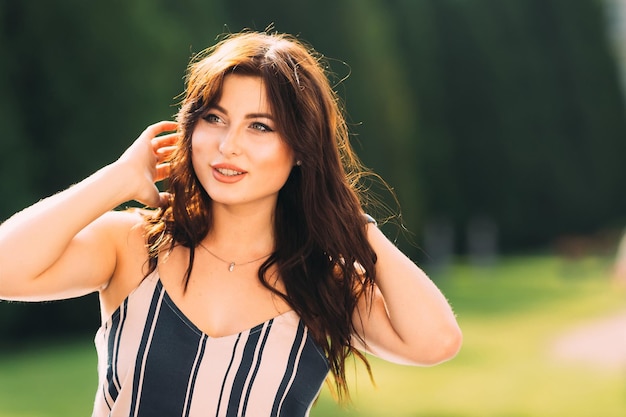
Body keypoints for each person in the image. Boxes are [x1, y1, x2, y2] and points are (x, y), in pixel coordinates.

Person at [0, 30, 461, 416]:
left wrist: (350, 221)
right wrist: (117, 178)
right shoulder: (135, 245)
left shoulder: (324, 284)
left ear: (302, 148)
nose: (228, 146)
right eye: (215, 119)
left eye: (260, 126)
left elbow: (436, 341)